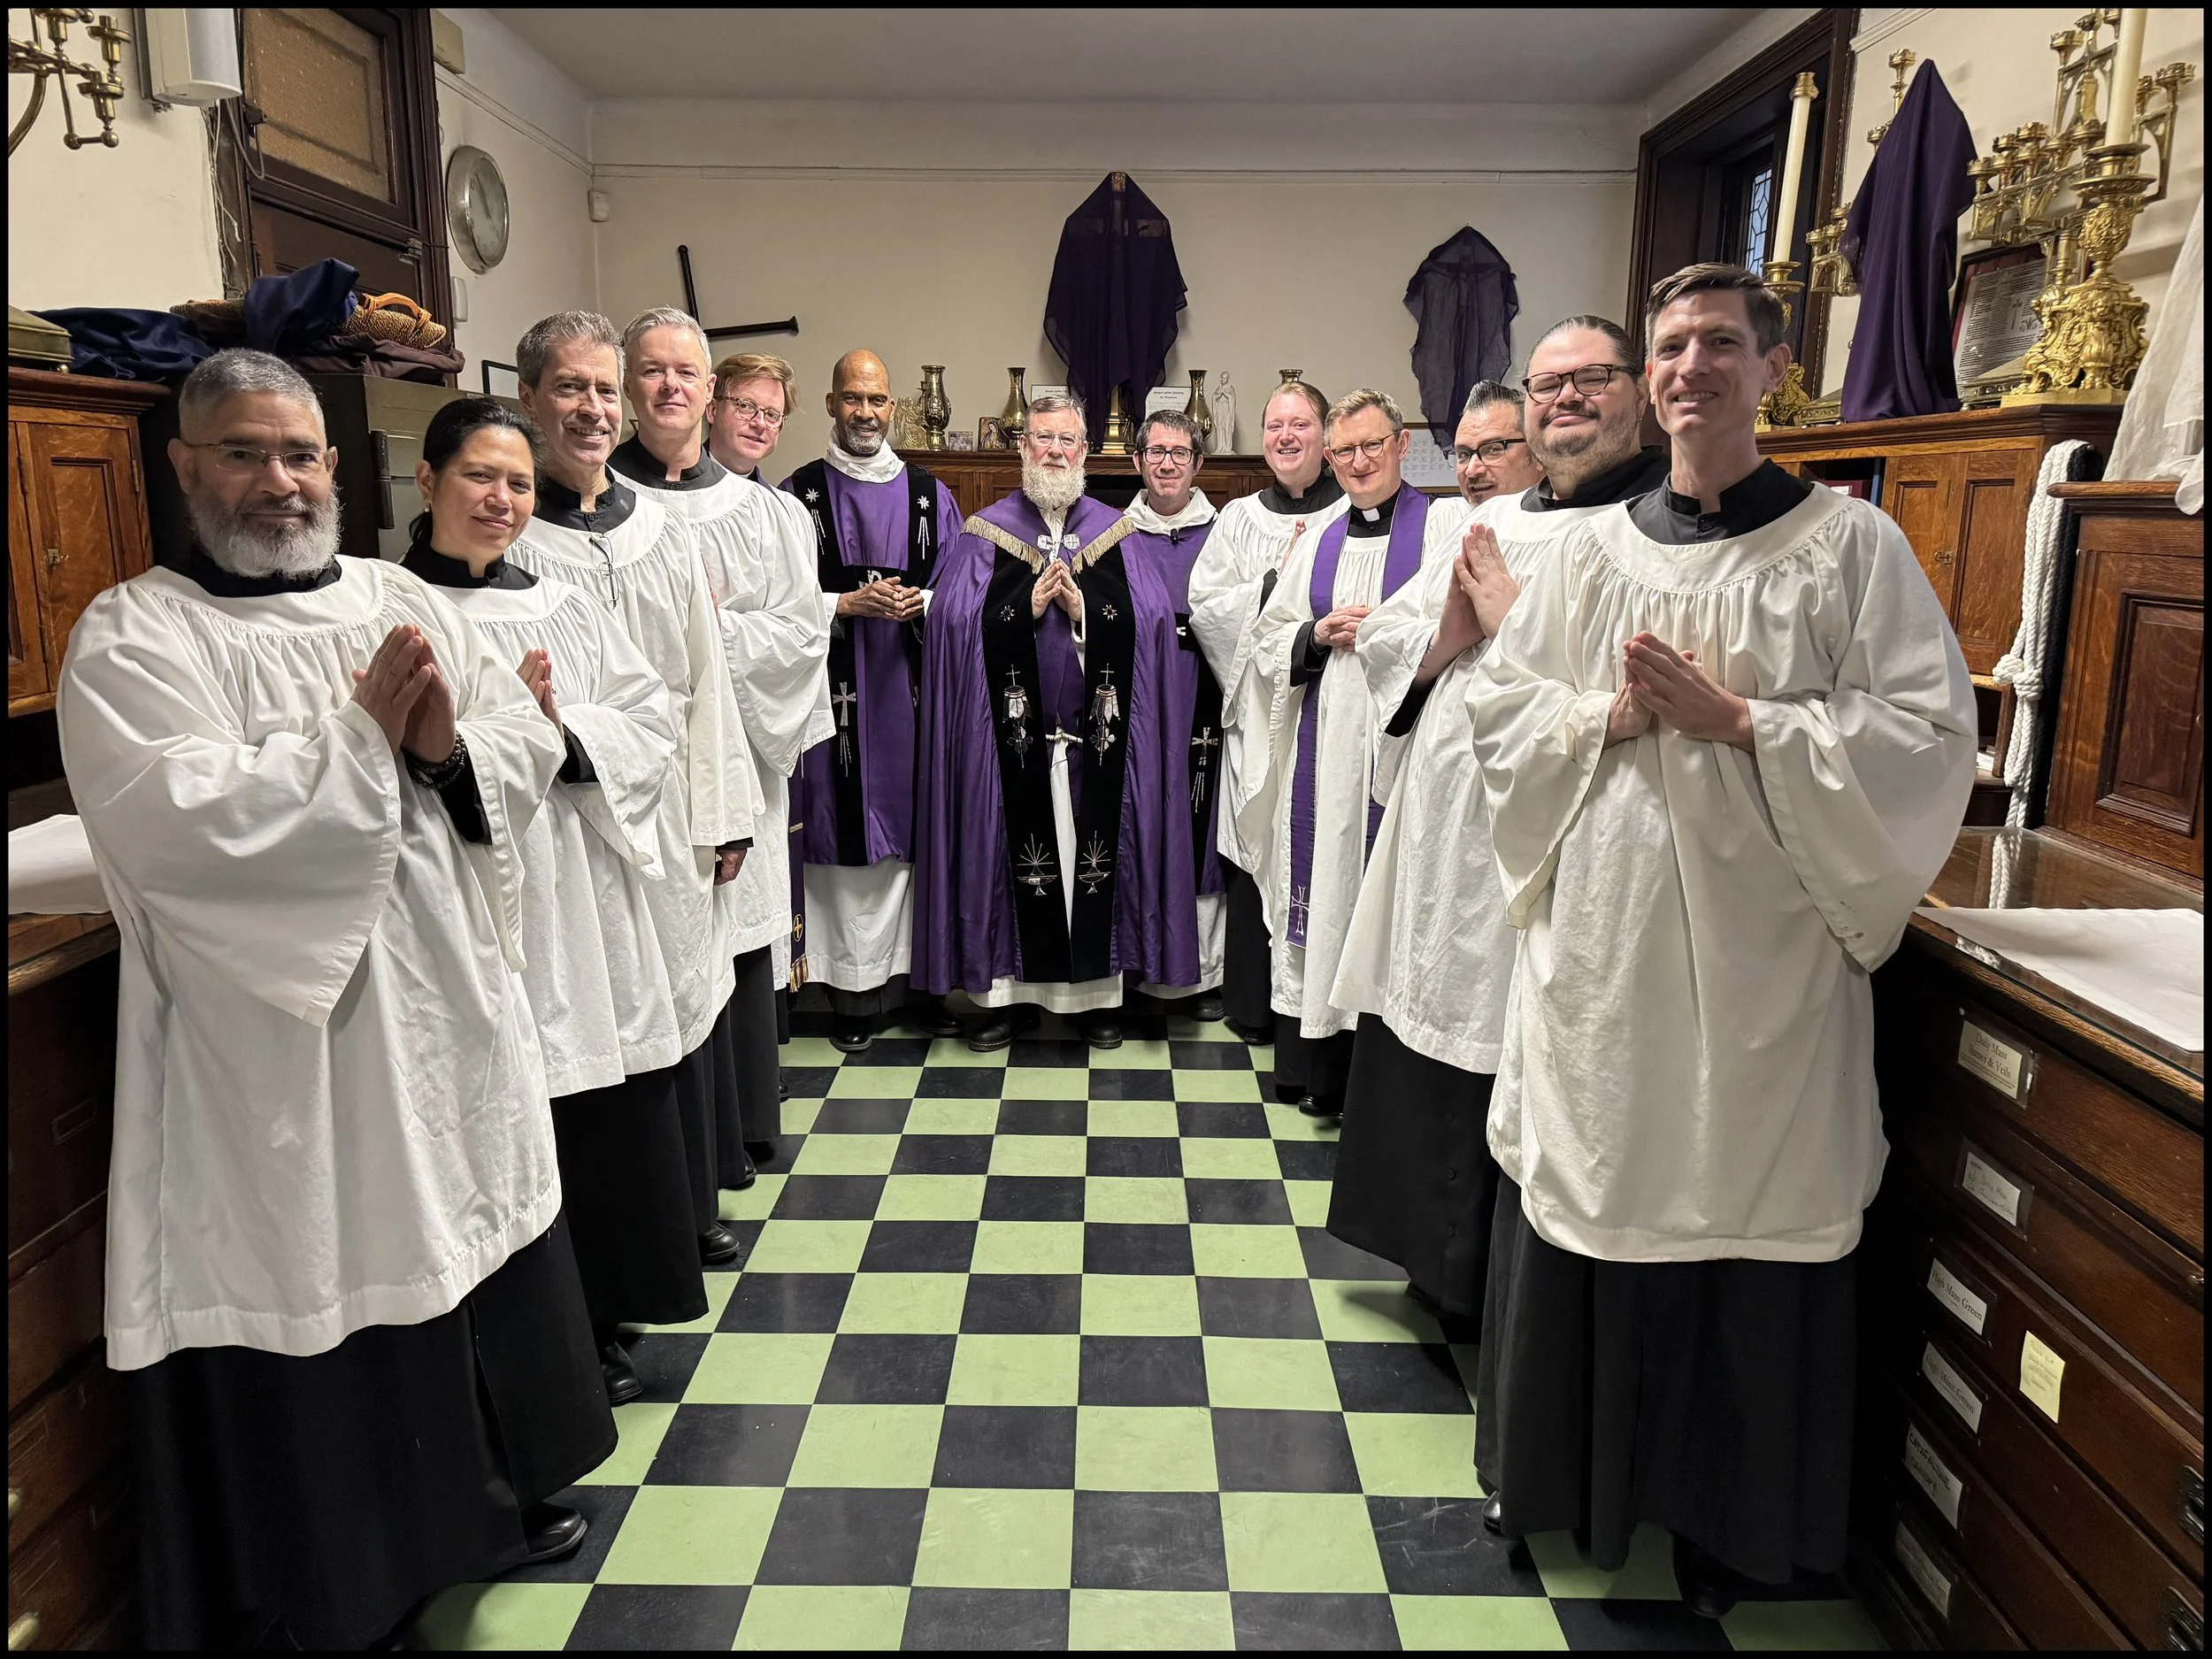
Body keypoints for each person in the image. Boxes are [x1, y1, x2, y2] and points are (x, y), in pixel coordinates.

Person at [57, 350, 611, 1647]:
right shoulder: (136, 637)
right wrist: (360, 740)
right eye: (244, 453)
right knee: (329, 1242)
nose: (281, 481)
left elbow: (522, 735)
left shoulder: (394, 595)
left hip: (442, 997)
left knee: (467, 1220)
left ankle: (492, 1498)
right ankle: (354, 1571)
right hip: (281, 1037)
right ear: (185, 466)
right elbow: (178, 818)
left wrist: (448, 749)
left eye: (301, 454)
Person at [1467, 265, 1977, 1613]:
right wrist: (1612, 715)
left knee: (1746, 1205)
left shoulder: (1850, 547)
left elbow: (1931, 739)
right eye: (1672, 346)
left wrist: (1745, 722)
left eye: (1719, 344)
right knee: (1602, 1179)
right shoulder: (1589, 553)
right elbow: (1504, 716)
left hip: (1767, 959)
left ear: (1772, 368)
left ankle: (1725, 1524)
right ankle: (1574, 1482)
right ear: (1649, 381)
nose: (1691, 367)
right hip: (1607, 947)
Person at [1326, 326, 1670, 1333]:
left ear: (1638, 392)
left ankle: (1491, 1291)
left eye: (1590, 381)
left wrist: (1512, 623)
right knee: (1433, 1003)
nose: (1565, 400)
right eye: (1547, 385)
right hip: (1442, 827)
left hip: (1544, 834)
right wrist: (1449, 635)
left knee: (1508, 1032)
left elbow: (1642, 691)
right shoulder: (1488, 524)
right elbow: (1392, 640)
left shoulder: (1653, 531)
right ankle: (1430, 1269)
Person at [403, 396, 706, 1409]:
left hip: (577, 892)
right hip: (466, 900)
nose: (501, 499)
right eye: (479, 477)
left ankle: (603, 1318)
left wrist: (564, 735)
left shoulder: (564, 604)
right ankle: (527, 1350)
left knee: (595, 1110)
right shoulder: (390, 610)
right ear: (427, 482)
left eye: (519, 483)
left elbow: (650, 717)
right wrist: (494, 748)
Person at [507, 311, 763, 1268]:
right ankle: (610, 1252)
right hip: (567, 824)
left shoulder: (658, 530)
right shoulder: (511, 536)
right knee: (591, 1017)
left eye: (603, 390)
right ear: (529, 398)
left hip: (673, 811)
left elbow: (707, 681)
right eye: (569, 388)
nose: (592, 409)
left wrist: (727, 814)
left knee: (680, 1005)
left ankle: (683, 1212)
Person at [609, 312, 830, 1179]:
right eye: (651, 371)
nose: (669, 387)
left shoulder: (766, 514)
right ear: (630, 385)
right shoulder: (595, 508)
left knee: (732, 936)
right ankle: (669, 1167)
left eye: (685, 372)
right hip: (640, 769)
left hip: (740, 758)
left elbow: (801, 636)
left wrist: (711, 631)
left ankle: (737, 1134)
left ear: (705, 390)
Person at [912, 393, 1199, 1051]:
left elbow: (1153, 627)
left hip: (1092, 746)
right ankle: (1008, 999)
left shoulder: (1116, 533)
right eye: (1043, 438)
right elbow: (950, 628)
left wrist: (1085, 615)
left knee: (1088, 866)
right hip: (1010, 750)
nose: (1055, 451)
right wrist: (1019, 610)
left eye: (1068, 440)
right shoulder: (984, 532)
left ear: (1084, 451)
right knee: (1006, 862)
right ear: (1023, 447)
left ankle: (1095, 998)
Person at [1233, 388, 1459, 1118]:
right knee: (1325, 886)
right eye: (1345, 451)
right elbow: (1267, 640)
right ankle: (1319, 1073)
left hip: (1401, 748)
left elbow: (1461, 629)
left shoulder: (1443, 527)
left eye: (1373, 445)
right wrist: (1315, 634)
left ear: (1401, 445)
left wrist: (1385, 635)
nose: (1359, 462)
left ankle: (1383, 1089)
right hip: (1324, 759)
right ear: (1330, 458)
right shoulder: (1320, 538)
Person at [781, 349, 965, 1052]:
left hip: (912, 698)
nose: (865, 412)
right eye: (852, 398)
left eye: (877, 399)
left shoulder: (930, 495)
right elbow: (775, 602)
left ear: (894, 407)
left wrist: (928, 602)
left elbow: (963, 589)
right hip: (836, 701)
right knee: (845, 836)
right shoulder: (796, 497)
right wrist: (843, 603)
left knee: (918, 840)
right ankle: (852, 993)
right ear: (831, 404)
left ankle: (923, 987)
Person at [1189, 378, 1347, 1046]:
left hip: (1330, 712)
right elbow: (1206, 607)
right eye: (1275, 425)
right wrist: (1270, 589)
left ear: (1326, 436)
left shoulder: (1355, 511)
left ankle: (1319, 1013)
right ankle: (1255, 1004)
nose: (1286, 436)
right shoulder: (1239, 520)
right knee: (1259, 844)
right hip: (1259, 716)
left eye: (1300, 424)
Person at [1118, 409, 1225, 1018]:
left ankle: (1199, 975)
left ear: (1198, 463)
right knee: (1139, 821)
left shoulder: (1225, 531)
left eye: (1179, 453)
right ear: (1137, 461)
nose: (1166, 464)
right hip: (1139, 703)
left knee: (1198, 827)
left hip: (1204, 697)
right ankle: (1135, 966)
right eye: (1155, 452)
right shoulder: (1113, 534)